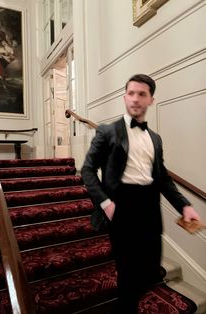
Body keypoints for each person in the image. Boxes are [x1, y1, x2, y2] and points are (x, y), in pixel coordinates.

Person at [81, 74, 201, 313]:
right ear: (125, 97)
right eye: (131, 93)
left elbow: (163, 178)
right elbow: (87, 170)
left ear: (151, 100)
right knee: (128, 271)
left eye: (142, 94)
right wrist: (105, 203)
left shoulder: (155, 139)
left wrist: (184, 206)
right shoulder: (107, 132)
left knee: (150, 270)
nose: (135, 99)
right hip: (121, 205)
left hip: (149, 207)